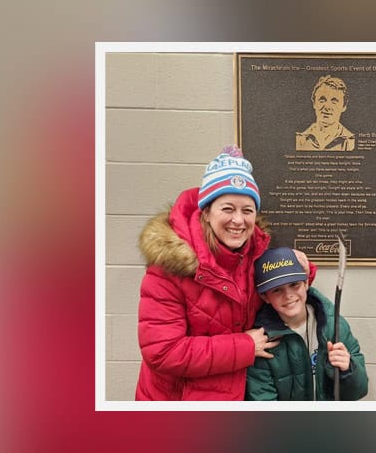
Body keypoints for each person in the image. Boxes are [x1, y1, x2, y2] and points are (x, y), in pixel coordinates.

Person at [135, 145, 316, 400]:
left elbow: (274, 288)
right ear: (207, 212)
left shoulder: (254, 254)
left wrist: (304, 271)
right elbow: (163, 351)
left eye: (247, 210)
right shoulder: (167, 269)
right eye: (228, 209)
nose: (238, 220)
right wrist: (244, 346)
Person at [246, 247, 368, 400]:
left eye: (294, 284)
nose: (288, 295)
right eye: (277, 290)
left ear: (306, 283)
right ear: (265, 297)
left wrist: (348, 370)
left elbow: (359, 391)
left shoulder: (333, 325)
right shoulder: (262, 343)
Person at [296, 75, 356, 151]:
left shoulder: (351, 143)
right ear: (314, 103)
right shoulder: (299, 140)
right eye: (322, 100)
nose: (327, 107)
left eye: (334, 101)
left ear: (344, 106)